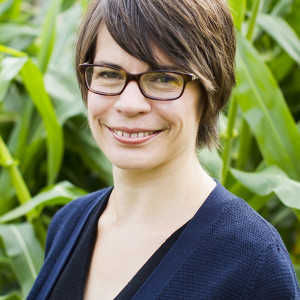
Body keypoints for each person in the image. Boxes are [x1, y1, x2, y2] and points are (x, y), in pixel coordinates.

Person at [27, 0, 300, 299]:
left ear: (210, 90)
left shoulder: (252, 262)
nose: (129, 104)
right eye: (109, 74)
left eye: (163, 78)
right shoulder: (68, 224)